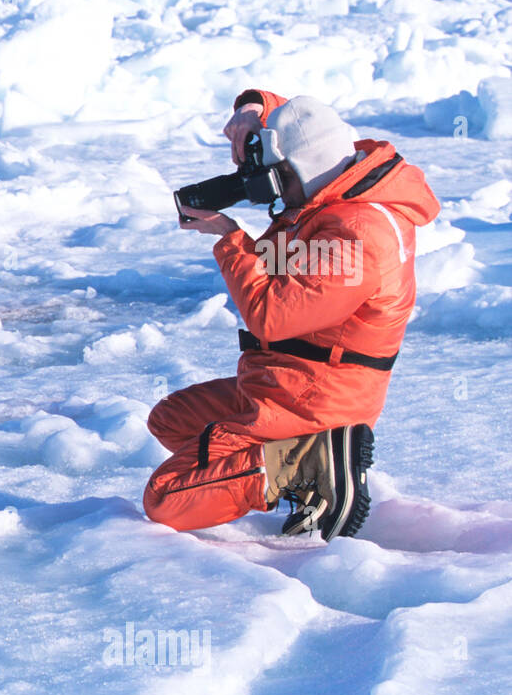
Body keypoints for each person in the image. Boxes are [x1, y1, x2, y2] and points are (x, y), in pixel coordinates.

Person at [143, 89, 440, 540]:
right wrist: (252, 110)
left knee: (167, 498)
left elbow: (271, 316)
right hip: (281, 379)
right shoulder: (332, 182)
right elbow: (300, 120)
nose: (272, 190)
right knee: (171, 419)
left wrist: (228, 236)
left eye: (277, 178)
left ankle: (306, 460)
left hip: (316, 396)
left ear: (302, 169)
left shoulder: (359, 235)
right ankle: (300, 465)